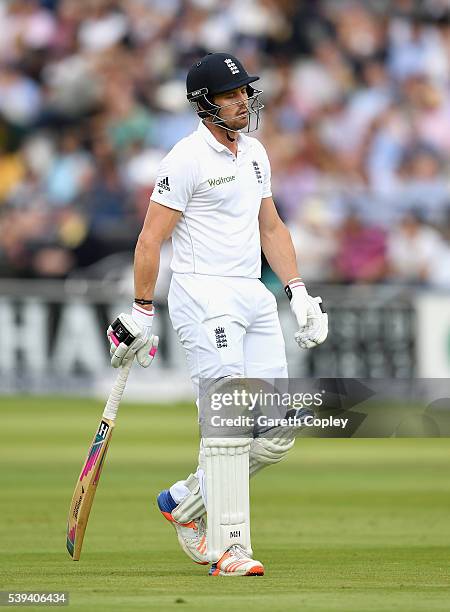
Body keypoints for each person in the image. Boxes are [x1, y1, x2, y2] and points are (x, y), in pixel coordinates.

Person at [107, 52, 328, 577]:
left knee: (275, 434)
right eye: (230, 95)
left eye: (244, 92)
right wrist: (141, 308)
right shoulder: (185, 159)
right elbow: (150, 238)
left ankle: (184, 501)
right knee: (229, 423)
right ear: (205, 104)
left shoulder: (254, 153)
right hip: (203, 295)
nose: (242, 101)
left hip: (252, 294)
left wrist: (297, 291)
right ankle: (231, 549)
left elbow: (270, 227)